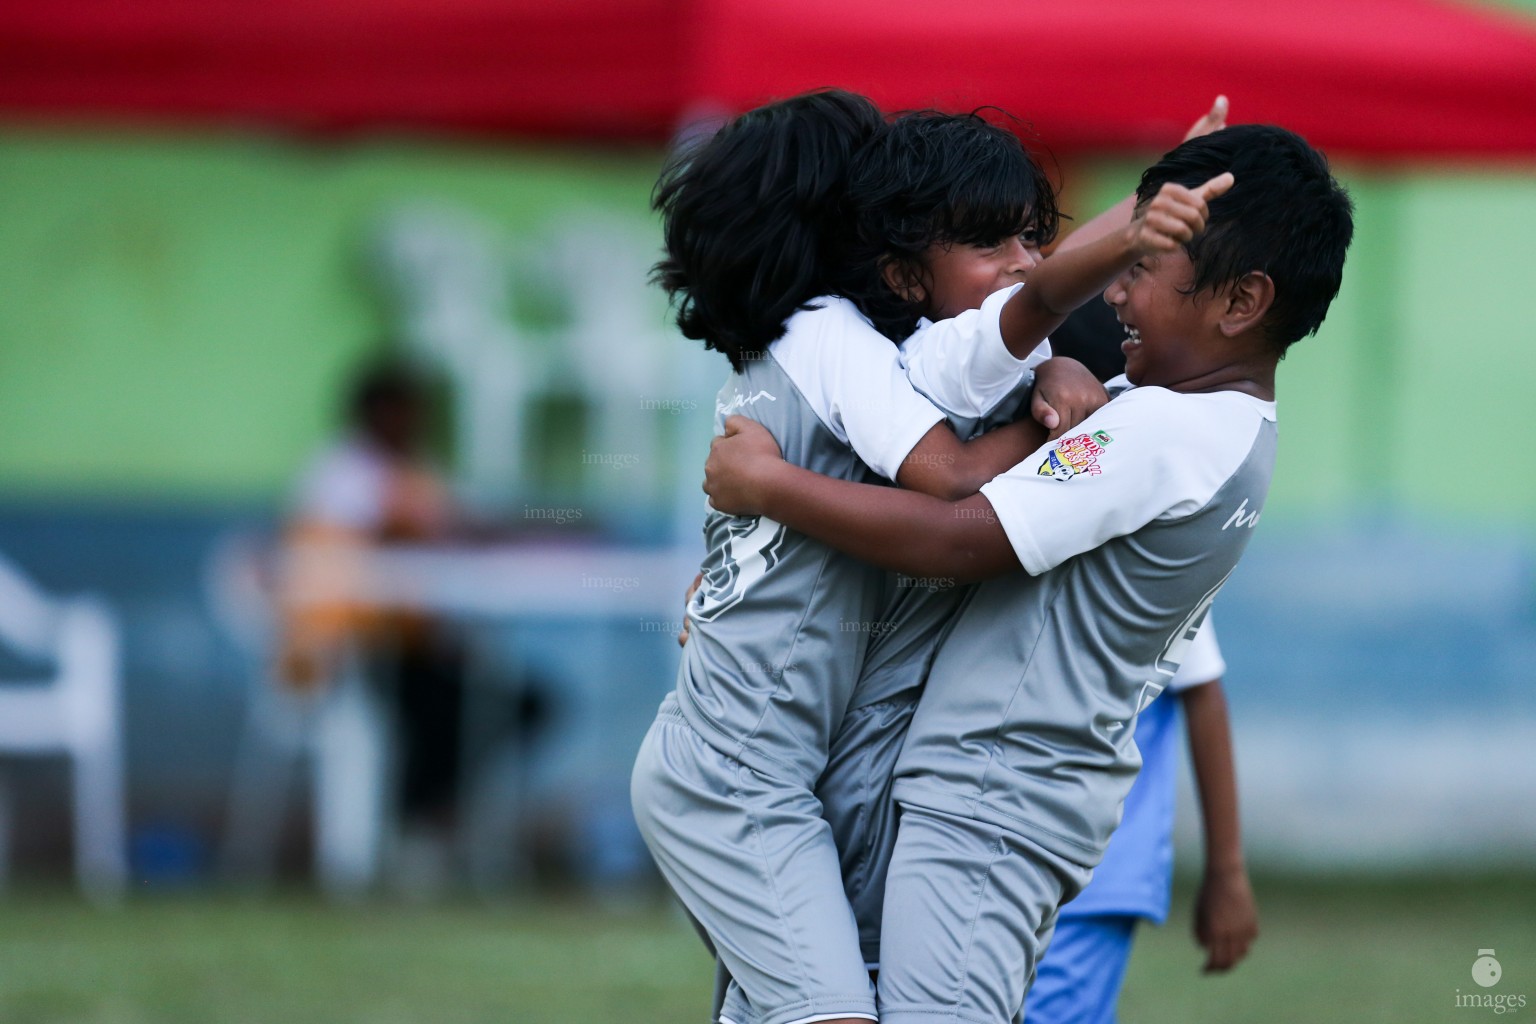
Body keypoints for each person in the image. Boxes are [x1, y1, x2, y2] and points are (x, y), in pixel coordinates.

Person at [703, 123, 1354, 1024]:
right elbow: (1038, 312)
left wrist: (772, 489)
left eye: (1143, 269)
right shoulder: (1213, 430)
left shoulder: (1163, 433)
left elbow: (956, 536)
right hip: (997, 794)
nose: (1115, 290)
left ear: (1240, 302)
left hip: (993, 803)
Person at [631, 89, 1138, 1024]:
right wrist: (1047, 415)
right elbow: (947, 480)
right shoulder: (827, 331)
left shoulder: (868, 351)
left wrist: (1057, 366)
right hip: (739, 775)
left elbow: (997, 334)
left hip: (808, 775)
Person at [1025, 617, 1258, 1024]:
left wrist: (1227, 872)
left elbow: (1203, 690)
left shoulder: (1164, 557)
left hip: (1100, 871)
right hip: (1002, 852)